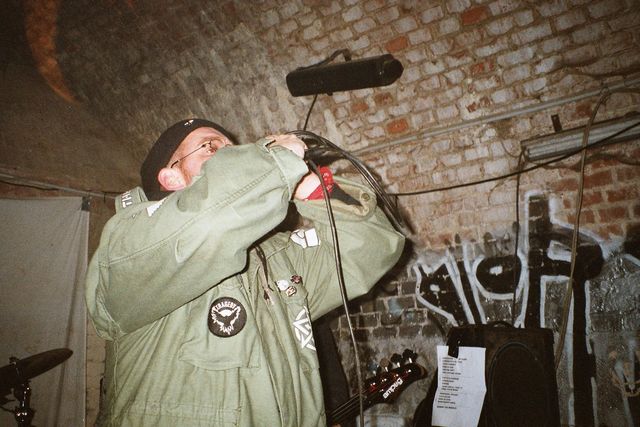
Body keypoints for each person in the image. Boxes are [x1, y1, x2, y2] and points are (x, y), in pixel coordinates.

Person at [85, 118, 405, 426]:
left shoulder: (277, 257)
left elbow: (372, 248)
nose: (229, 153)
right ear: (171, 178)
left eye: (232, 147)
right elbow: (207, 222)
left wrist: (314, 190)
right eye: (210, 147)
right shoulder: (131, 241)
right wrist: (273, 161)